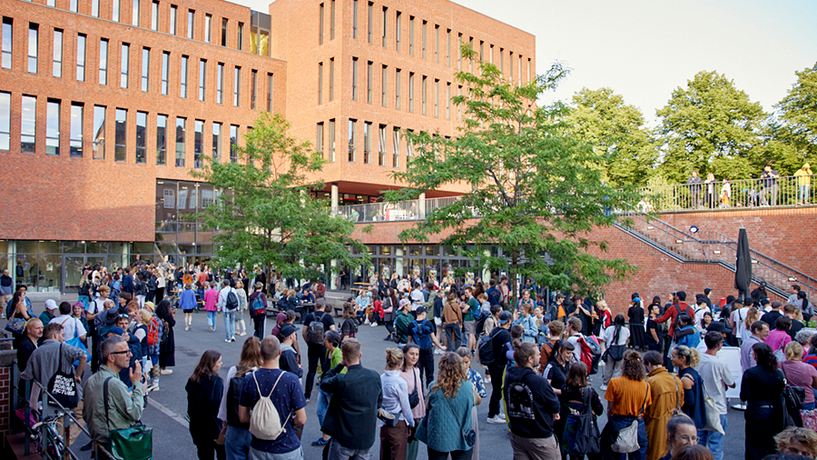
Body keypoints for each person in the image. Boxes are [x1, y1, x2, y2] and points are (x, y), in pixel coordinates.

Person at [239, 335, 307, 460]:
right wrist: (288, 422)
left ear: (260, 353)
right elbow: (301, 419)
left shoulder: (249, 379)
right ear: (279, 352)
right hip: (286, 444)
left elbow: (243, 417)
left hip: (259, 446)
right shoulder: (291, 380)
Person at [320, 338, 383, 460]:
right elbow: (379, 401)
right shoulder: (374, 376)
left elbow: (324, 382)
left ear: (343, 356)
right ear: (360, 355)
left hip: (344, 437)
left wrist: (339, 366)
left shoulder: (341, 380)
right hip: (365, 438)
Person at [84, 337, 144, 455]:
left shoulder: (91, 380)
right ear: (111, 357)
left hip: (99, 442)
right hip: (116, 446)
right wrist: (137, 383)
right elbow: (136, 413)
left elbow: (86, 414)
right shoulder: (114, 383)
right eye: (125, 352)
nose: (130, 355)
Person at [503, 341, 561, 460]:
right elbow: (554, 405)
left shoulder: (509, 378)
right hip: (539, 435)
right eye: (538, 355)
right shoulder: (539, 382)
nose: (540, 357)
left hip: (517, 433)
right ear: (530, 359)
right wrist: (555, 414)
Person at [416, 352, 477, 460]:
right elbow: (475, 401)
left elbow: (428, 408)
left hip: (439, 436)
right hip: (462, 435)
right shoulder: (469, 387)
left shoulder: (434, 388)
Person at [601, 350, 652, 460]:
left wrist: (611, 421)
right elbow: (646, 405)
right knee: (639, 455)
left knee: (616, 455)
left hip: (619, 421)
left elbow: (610, 408)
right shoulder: (646, 385)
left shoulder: (615, 382)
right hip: (638, 423)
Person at [741, 342, 787, 460]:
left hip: (756, 410)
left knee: (754, 444)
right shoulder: (778, 373)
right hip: (774, 411)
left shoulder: (751, 373)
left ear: (756, 355)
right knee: (771, 443)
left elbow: (744, 396)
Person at [218, 336, 262, 460]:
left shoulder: (235, 371)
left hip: (235, 424)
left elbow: (226, 398)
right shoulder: (262, 373)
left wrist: (225, 423)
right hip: (257, 426)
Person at [696, 332, 735, 460]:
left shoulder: (697, 360)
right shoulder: (720, 364)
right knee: (716, 444)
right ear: (719, 345)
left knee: (699, 441)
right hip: (718, 405)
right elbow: (731, 383)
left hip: (700, 405)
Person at [643, 351, 684, 460]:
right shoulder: (675, 378)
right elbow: (681, 401)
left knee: (654, 453)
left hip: (655, 423)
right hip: (674, 421)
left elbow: (645, 407)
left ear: (649, 365)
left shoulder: (650, 381)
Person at [186, 350, 225, 460]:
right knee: (223, 454)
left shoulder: (193, 379)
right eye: (219, 362)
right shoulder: (216, 381)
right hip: (214, 427)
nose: (221, 364)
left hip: (198, 427)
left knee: (204, 455)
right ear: (212, 364)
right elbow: (218, 405)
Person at [561, 362, 603, 460]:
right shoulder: (589, 392)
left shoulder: (565, 389)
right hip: (585, 426)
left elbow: (563, 404)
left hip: (570, 426)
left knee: (574, 455)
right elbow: (599, 410)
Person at [380, 348, 415, 460]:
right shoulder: (400, 383)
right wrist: (411, 422)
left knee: (384, 454)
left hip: (384, 421)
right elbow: (405, 407)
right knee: (398, 455)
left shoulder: (381, 378)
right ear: (400, 364)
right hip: (398, 422)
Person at [312, 331, 344, 448]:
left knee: (335, 413)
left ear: (331, 342)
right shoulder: (328, 351)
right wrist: (321, 377)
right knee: (320, 412)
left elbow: (339, 373)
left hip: (330, 388)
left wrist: (329, 383)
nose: (324, 341)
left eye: (325, 339)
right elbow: (325, 367)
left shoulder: (337, 354)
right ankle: (326, 437)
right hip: (324, 386)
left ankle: (336, 437)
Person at [455, 347, 486, 460]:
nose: (464, 365)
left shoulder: (475, 375)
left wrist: (471, 392)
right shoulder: (450, 375)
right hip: (455, 409)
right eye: (461, 363)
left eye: (466, 362)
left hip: (470, 409)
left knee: (470, 438)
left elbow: (480, 399)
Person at [302, 300, 336, 402]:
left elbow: (304, 332)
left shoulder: (309, 316)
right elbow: (333, 332)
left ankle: (307, 394)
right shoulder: (328, 317)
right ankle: (324, 392)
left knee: (311, 370)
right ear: (324, 306)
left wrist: (308, 342)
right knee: (325, 369)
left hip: (312, 346)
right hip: (323, 346)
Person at [486, 310, 513, 424]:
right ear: (509, 321)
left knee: (496, 388)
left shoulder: (495, 330)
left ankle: (496, 412)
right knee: (498, 389)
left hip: (492, 362)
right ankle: (492, 414)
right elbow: (508, 351)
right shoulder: (506, 334)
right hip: (499, 364)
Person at [409, 306, 446, 387]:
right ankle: (429, 392)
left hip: (417, 352)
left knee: (419, 375)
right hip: (427, 351)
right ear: (423, 313)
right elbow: (434, 339)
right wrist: (440, 347)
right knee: (430, 375)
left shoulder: (411, 325)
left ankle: (420, 395)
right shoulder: (428, 324)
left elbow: (409, 341)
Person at [670, 345, 704, 432]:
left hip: (689, 418)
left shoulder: (685, 378)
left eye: (674, 357)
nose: (671, 359)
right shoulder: (693, 373)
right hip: (697, 416)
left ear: (683, 359)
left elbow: (689, 401)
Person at [400, 344, 425, 460]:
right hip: (405, 415)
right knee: (403, 447)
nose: (414, 357)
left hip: (417, 413)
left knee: (413, 447)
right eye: (411, 354)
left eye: (416, 354)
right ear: (405, 355)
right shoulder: (399, 373)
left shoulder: (416, 370)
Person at [780, 341, 817, 411]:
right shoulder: (809, 368)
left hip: (786, 400)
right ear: (801, 353)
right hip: (806, 401)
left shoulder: (779, 366)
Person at [602, 314, 631, 390]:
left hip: (611, 349)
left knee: (608, 368)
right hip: (621, 350)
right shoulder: (626, 330)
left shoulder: (609, 329)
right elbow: (627, 339)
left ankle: (605, 383)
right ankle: (615, 384)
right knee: (618, 369)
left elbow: (604, 339)